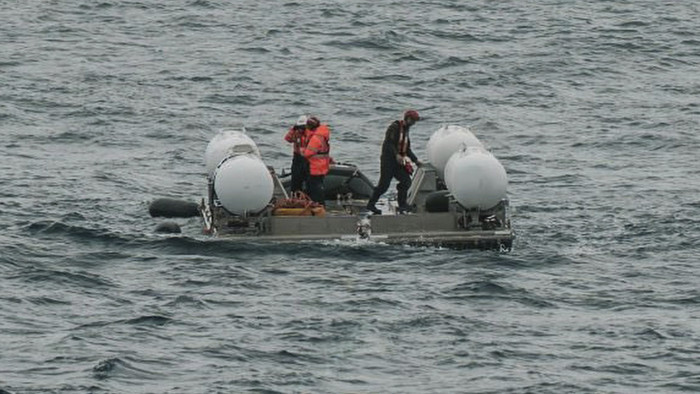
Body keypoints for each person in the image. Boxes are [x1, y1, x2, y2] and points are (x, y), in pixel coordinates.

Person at [366, 110, 422, 215]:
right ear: (407, 118)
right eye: (413, 120)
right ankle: (371, 204)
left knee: (406, 181)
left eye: (415, 121)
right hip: (388, 161)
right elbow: (388, 143)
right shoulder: (394, 127)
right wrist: (396, 155)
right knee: (384, 185)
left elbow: (407, 149)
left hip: (399, 162)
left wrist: (416, 160)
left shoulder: (406, 131)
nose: (414, 123)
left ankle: (402, 205)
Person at [302, 116, 331, 204]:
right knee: (318, 185)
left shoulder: (316, 138)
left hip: (315, 166)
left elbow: (308, 153)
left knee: (315, 187)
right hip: (322, 165)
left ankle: (317, 204)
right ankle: (318, 203)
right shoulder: (322, 135)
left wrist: (302, 151)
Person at [284, 115, 311, 193]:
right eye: (300, 126)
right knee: (296, 180)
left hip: (308, 158)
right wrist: (293, 129)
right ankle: (295, 196)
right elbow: (288, 138)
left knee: (308, 180)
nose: (301, 129)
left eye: (303, 127)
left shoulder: (309, 133)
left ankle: (307, 196)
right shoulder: (296, 132)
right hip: (297, 158)